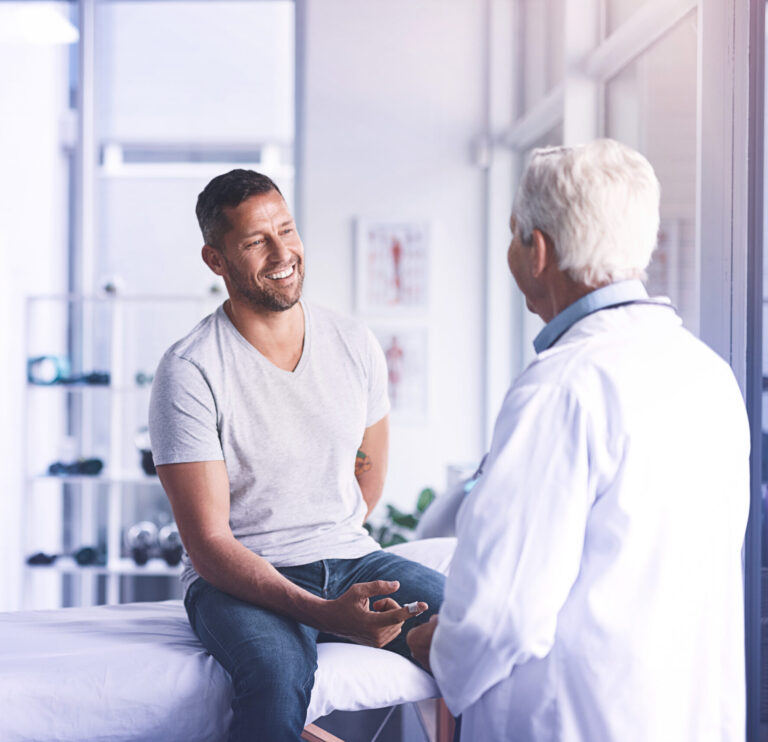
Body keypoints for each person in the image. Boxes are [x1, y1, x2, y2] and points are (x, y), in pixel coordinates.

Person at [407, 139, 749, 741]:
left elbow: (499, 615)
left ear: (535, 250)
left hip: (573, 720)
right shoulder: (707, 373)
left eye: (515, 234)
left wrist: (435, 645)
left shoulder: (561, 387)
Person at [148, 169, 445, 741]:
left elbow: (369, 469)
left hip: (353, 558)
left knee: (478, 629)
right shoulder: (189, 370)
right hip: (240, 578)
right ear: (216, 260)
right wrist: (322, 612)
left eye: (287, 229)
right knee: (276, 675)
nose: (283, 252)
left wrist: (335, 539)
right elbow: (208, 545)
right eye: (257, 240)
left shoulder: (353, 342)